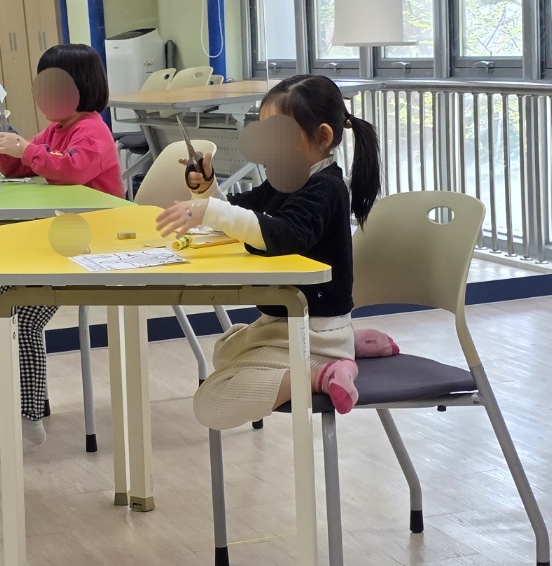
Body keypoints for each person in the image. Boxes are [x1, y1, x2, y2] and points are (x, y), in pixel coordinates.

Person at [157, 73, 383, 429]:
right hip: (284, 321)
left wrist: (210, 211)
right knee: (225, 350)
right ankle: (347, 343)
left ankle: (324, 372)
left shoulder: (326, 188)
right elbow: (240, 213)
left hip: (310, 327)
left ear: (323, 137)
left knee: (210, 402)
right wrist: (207, 191)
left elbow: (283, 234)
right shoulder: (285, 179)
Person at [0, 43, 122, 460]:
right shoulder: (55, 130)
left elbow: (72, 168)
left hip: (91, 250)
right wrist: (2, 139)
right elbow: (20, 166)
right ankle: (1, 405)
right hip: (58, 243)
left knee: (21, 318)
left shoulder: (91, 131)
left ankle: (28, 418)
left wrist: (27, 150)